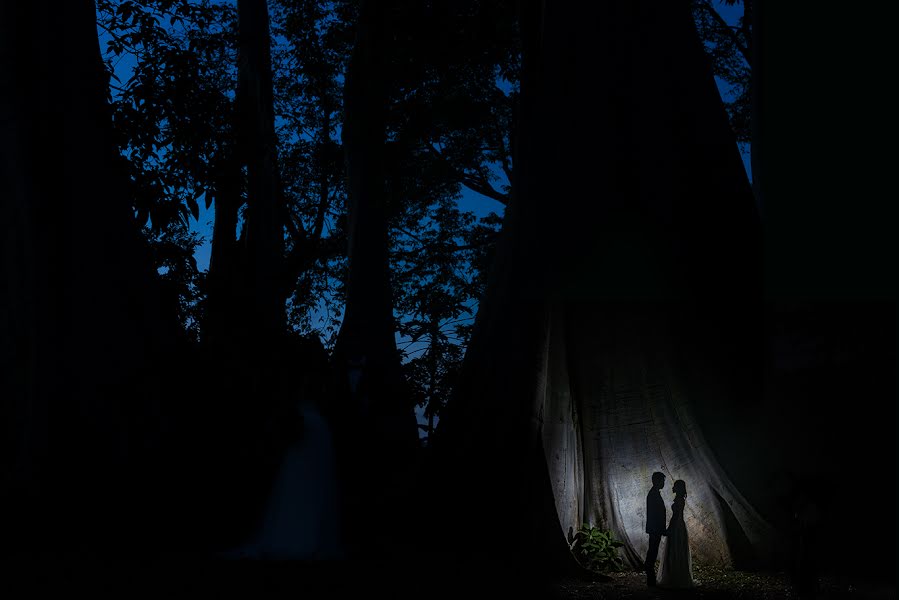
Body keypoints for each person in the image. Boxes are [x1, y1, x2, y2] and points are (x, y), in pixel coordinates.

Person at [658, 479, 695, 588]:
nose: (672, 487)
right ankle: (676, 575)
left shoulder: (679, 500)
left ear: (678, 488)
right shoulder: (680, 499)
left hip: (677, 526)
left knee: (675, 549)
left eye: (674, 486)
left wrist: (670, 528)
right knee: (676, 550)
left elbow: (676, 516)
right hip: (679, 525)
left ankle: (674, 576)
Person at [645, 472, 668, 587]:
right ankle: (650, 575)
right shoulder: (653, 494)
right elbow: (655, 514)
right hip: (655, 528)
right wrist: (661, 529)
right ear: (656, 481)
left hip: (655, 528)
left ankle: (651, 577)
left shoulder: (654, 493)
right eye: (662, 481)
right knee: (653, 551)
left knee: (653, 551)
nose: (663, 483)